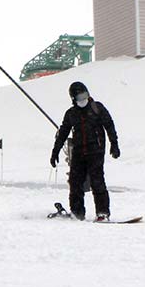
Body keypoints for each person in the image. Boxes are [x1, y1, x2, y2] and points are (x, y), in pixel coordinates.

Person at [50, 81, 120, 221]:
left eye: (85, 95)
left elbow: (109, 125)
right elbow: (63, 132)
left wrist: (114, 144)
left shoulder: (97, 108)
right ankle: (77, 212)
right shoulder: (71, 114)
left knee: (97, 181)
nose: (83, 99)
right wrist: (55, 151)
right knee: (75, 183)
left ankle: (102, 213)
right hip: (78, 152)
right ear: (73, 99)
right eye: (79, 97)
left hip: (96, 151)